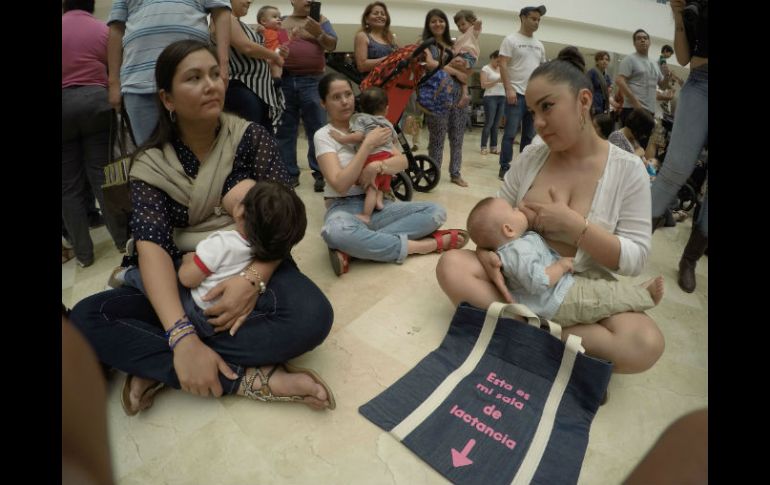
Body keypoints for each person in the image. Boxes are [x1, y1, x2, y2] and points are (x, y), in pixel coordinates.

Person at [70, 40, 335, 416]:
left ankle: (155, 363)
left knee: (312, 317)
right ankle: (244, 379)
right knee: (87, 318)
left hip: (253, 258)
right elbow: (153, 247)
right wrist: (181, 337)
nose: (211, 84)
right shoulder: (150, 164)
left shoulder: (250, 138)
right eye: (194, 78)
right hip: (184, 277)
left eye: (215, 74)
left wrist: (252, 279)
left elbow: (285, 220)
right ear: (167, 99)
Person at [436, 48, 664, 374]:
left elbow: (636, 257)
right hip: (519, 278)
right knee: (451, 265)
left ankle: (521, 333)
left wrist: (577, 228)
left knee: (644, 342)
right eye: (532, 111)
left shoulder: (629, 171)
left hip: (577, 286)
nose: (538, 123)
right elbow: (498, 213)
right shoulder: (533, 154)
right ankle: (558, 348)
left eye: (547, 107)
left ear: (584, 101)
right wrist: (487, 251)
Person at [314, 73, 468, 276]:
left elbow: (402, 162)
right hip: (344, 207)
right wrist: (367, 146)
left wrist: (377, 166)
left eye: (348, 94)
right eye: (336, 97)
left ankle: (355, 251)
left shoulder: (373, 123)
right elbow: (340, 184)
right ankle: (425, 245)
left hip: (381, 203)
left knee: (435, 212)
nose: (344, 102)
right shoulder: (324, 135)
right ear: (324, 103)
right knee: (335, 232)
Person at [119, 179, 307, 338]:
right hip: (226, 319)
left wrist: (187, 260)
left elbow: (188, 279)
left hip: (199, 312)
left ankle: (126, 275)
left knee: (151, 275)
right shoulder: (264, 250)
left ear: (239, 210)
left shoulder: (222, 244)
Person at [467, 197, 663, 326]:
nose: (518, 208)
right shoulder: (517, 252)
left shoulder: (517, 243)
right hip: (558, 300)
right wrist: (559, 266)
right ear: (508, 229)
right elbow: (537, 281)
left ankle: (633, 293)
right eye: (513, 209)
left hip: (562, 287)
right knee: (602, 297)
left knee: (601, 279)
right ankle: (645, 296)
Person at [106, 0, 232, 146]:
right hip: (138, 81)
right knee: (149, 156)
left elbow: (221, 12)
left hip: (192, 80)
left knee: (198, 152)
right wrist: (113, 82)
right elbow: (116, 28)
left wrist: (223, 66)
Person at [62, 0, 129, 267]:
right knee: (102, 175)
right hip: (95, 103)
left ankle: (84, 255)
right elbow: (117, 65)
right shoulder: (101, 29)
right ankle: (121, 241)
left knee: (68, 187)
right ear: (90, 6)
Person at [651, 0, 708, 293]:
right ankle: (635, 236)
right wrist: (676, 13)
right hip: (701, 82)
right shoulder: (696, 5)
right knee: (675, 167)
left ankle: (689, 261)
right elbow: (684, 57)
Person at [275, 0, 339, 191]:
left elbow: (333, 45)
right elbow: (274, 46)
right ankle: (288, 173)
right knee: (286, 129)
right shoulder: (282, 21)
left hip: (313, 81)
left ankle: (321, 172)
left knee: (317, 129)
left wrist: (318, 32)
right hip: (285, 80)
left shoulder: (320, 20)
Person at [328, 87, 398, 224]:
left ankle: (366, 215)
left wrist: (342, 138)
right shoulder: (387, 123)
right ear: (386, 109)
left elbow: (358, 136)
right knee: (380, 185)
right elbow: (394, 139)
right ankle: (379, 201)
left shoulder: (361, 119)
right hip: (387, 159)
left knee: (371, 188)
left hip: (373, 157)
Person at [421, 9, 471, 187]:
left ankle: (455, 173)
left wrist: (465, 92)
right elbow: (430, 64)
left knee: (457, 138)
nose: (438, 24)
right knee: (437, 139)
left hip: (458, 95)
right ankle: (433, 173)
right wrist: (454, 70)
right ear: (428, 24)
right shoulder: (425, 44)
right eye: (433, 21)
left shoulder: (455, 45)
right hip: (437, 96)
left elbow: (465, 74)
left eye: (441, 21)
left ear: (446, 24)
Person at [496, 5, 548, 180]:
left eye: (538, 20)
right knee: (510, 134)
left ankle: (523, 169)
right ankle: (504, 167)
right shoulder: (511, 40)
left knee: (528, 136)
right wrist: (508, 88)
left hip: (533, 99)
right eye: (533, 18)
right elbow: (503, 65)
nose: (536, 22)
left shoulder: (539, 45)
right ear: (523, 18)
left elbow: (541, 71)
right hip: (515, 95)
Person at [222, 0, 286, 133]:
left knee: (262, 140)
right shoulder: (224, 17)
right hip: (243, 86)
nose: (250, 1)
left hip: (259, 90)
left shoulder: (241, 24)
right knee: (252, 139)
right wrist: (275, 56)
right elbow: (247, 47)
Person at [615, 29, 668, 127]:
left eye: (645, 38)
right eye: (639, 38)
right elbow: (620, 80)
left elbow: (663, 86)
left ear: (649, 42)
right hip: (633, 109)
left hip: (650, 111)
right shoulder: (630, 59)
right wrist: (636, 104)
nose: (643, 40)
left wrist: (667, 76)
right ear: (634, 43)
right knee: (627, 142)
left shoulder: (654, 64)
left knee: (643, 142)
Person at [354, 2, 398, 74]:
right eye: (375, 13)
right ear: (366, 19)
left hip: (391, 82)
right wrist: (389, 59)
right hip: (372, 84)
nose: (380, 16)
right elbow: (362, 66)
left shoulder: (392, 38)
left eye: (383, 14)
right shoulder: (362, 36)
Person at [480, 50, 506, 155]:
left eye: (500, 62)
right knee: (489, 123)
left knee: (496, 125)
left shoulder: (502, 69)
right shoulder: (485, 69)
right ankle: (483, 146)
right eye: (497, 61)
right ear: (492, 58)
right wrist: (497, 81)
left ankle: (494, 147)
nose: (498, 63)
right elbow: (483, 85)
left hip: (502, 97)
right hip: (490, 97)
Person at [257, 5, 289, 80]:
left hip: (277, 55)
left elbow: (286, 43)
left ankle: (277, 80)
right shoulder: (262, 30)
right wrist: (260, 32)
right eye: (275, 17)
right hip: (265, 57)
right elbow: (258, 42)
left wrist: (292, 35)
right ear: (263, 21)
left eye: (279, 17)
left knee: (277, 67)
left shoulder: (280, 31)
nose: (278, 19)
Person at [587, 51, 612, 116]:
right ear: (597, 61)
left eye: (606, 59)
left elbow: (609, 88)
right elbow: (587, 88)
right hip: (594, 103)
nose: (604, 61)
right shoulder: (592, 72)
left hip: (603, 104)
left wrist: (610, 89)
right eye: (601, 59)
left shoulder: (607, 76)